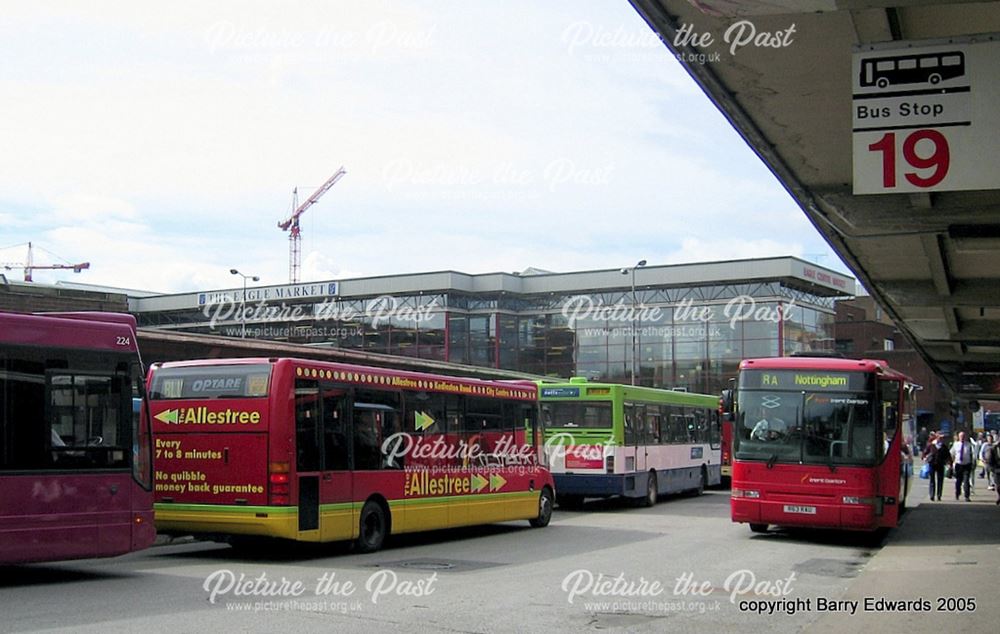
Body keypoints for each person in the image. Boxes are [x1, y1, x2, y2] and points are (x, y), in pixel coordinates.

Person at [922, 432, 950, 501]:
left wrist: (949, 463)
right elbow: (925, 452)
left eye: (942, 438)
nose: (941, 439)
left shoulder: (944, 446)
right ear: (936, 437)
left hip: (940, 464)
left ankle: (939, 495)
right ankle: (932, 495)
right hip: (932, 464)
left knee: (940, 480)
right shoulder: (931, 445)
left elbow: (948, 455)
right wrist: (924, 457)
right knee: (932, 480)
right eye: (940, 437)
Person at [950, 430, 974, 501]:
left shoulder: (969, 445)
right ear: (958, 437)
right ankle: (957, 493)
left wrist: (973, 463)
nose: (962, 438)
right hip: (958, 465)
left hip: (967, 465)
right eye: (961, 436)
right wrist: (951, 463)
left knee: (966, 481)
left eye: (963, 436)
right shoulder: (955, 444)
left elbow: (972, 454)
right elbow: (952, 454)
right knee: (958, 481)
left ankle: (967, 496)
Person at [987, 437, 1000, 505]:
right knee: (998, 486)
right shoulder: (993, 448)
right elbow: (989, 459)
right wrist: (991, 468)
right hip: (997, 469)